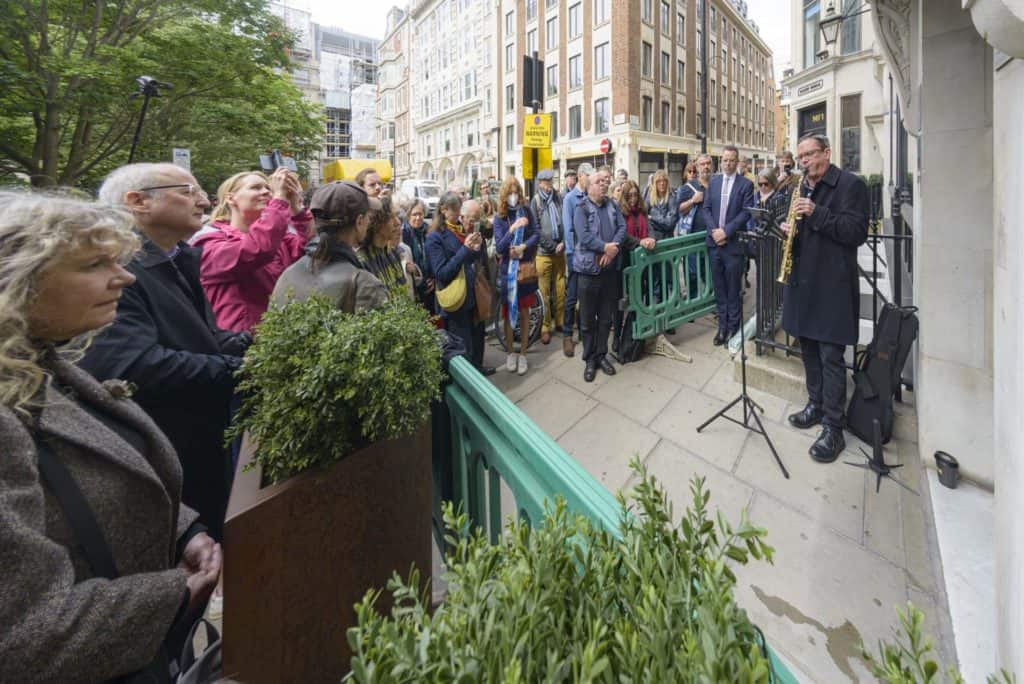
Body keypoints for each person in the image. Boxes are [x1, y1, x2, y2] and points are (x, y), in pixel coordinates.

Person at [0, 191, 221, 683]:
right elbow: (24, 633)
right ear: (19, 281)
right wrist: (176, 591)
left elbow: (97, 474)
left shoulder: (44, 365)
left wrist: (184, 530)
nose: (123, 277)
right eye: (95, 264)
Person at [82, 163, 251, 542]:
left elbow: (198, 337)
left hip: (198, 447)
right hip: (162, 454)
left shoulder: (176, 259)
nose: (204, 200)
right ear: (137, 201)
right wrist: (240, 369)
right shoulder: (118, 273)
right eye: (187, 191)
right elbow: (134, 365)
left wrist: (251, 343)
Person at [781, 134, 869, 463]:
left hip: (832, 286)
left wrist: (816, 212)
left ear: (827, 153)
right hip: (804, 283)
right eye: (801, 157)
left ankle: (834, 426)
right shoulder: (803, 187)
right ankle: (815, 406)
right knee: (808, 351)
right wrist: (791, 229)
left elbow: (855, 233)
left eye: (810, 155)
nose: (803, 161)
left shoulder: (850, 185)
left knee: (832, 359)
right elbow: (808, 231)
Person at [191, 168, 312, 332]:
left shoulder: (279, 239)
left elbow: (312, 251)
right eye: (255, 188)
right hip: (237, 343)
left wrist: (296, 208)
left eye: (268, 188)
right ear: (230, 198)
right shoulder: (209, 241)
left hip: (278, 336)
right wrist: (278, 201)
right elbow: (255, 249)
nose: (266, 193)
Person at [270, 181, 388, 314]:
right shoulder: (366, 285)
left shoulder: (288, 275)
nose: (369, 221)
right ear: (359, 221)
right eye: (368, 216)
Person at [573, 168, 626, 383]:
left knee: (605, 319)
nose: (603, 185)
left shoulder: (613, 205)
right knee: (587, 320)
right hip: (588, 272)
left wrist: (612, 251)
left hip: (609, 271)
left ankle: (602, 355)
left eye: (605, 182)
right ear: (589, 186)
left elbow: (622, 228)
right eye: (598, 182)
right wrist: (606, 247)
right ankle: (589, 359)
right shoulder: (581, 208)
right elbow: (584, 237)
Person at [701, 145, 756, 346]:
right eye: (725, 160)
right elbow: (706, 209)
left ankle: (733, 327)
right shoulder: (713, 183)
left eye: (732, 160)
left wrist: (726, 231)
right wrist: (715, 231)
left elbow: (746, 213)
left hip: (733, 246)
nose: (728, 163)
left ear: (737, 161)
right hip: (714, 245)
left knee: (733, 289)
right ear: (721, 161)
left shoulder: (745, 185)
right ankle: (722, 327)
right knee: (719, 288)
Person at [426, 191, 485, 367]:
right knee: (462, 350)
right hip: (454, 303)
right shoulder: (434, 238)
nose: (460, 214)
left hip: (470, 297)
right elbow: (442, 273)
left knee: (476, 343)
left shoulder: (458, 230)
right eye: (456, 210)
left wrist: (477, 247)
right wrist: (465, 249)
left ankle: (478, 376)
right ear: (444, 210)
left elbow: (471, 259)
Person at [493, 177, 539, 375]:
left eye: (516, 192)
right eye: (510, 193)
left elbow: (536, 234)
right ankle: (511, 352)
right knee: (508, 314)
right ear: (505, 195)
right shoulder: (500, 218)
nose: (514, 196)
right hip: (508, 273)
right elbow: (500, 246)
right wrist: (512, 230)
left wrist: (524, 246)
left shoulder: (527, 211)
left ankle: (523, 354)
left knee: (524, 313)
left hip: (524, 271)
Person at [459, 199, 496, 376]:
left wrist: (483, 221)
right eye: (471, 219)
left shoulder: (479, 228)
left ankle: (479, 364)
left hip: (479, 283)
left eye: (477, 218)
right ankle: (471, 370)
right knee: (468, 332)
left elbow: (491, 230)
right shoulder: (456, 233)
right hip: (464, 289)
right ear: (462, 217)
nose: (473, 223)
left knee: (479, 327)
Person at [530, 169, 566, 346]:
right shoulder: (536, 201)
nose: (550, 183)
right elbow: (535, 230)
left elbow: (565, 221)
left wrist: (564, 242)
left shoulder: (558, 198)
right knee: (543, 292)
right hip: (544, 254)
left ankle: (560, 321)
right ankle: (545, 327)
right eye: (547, 181)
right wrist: (553, 246)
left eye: (551, 180)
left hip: (560, 251)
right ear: (540, 183)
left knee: (560, 288)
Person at [562, 163, 593, 358]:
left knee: (585, 296)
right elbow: (568, 229)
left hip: (589, 254)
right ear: (581, 176)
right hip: (575, 255)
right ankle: (567, 335)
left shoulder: (590, 195)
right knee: (572, 296)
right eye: (588, 176)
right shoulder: (570, 198)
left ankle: (584, 330)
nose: (590, 179)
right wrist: (572, 255)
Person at [359, 196, 410, 299]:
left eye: (396, 216)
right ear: (376, 223)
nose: (398, 222)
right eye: (391, 217)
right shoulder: (362, 261)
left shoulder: (393, 252)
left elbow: (404, 295)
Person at [401, 199, 434, 311]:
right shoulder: (403, 232)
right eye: (414, 214)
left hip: (429, 283)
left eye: (420, 214)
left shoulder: (428, 230)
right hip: (413, 283)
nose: (418, 218)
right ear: (408, 215)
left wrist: (432, 278)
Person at [646, 169, 677, 242]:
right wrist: (663, 221)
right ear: (655, 183)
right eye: (659, 181)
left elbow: (670, 224)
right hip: (653, 239)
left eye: (664, 180)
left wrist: (652, 218)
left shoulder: (671, 198)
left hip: (667, 239)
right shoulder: (650, 198)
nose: (662, 183)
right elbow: (644, 217)